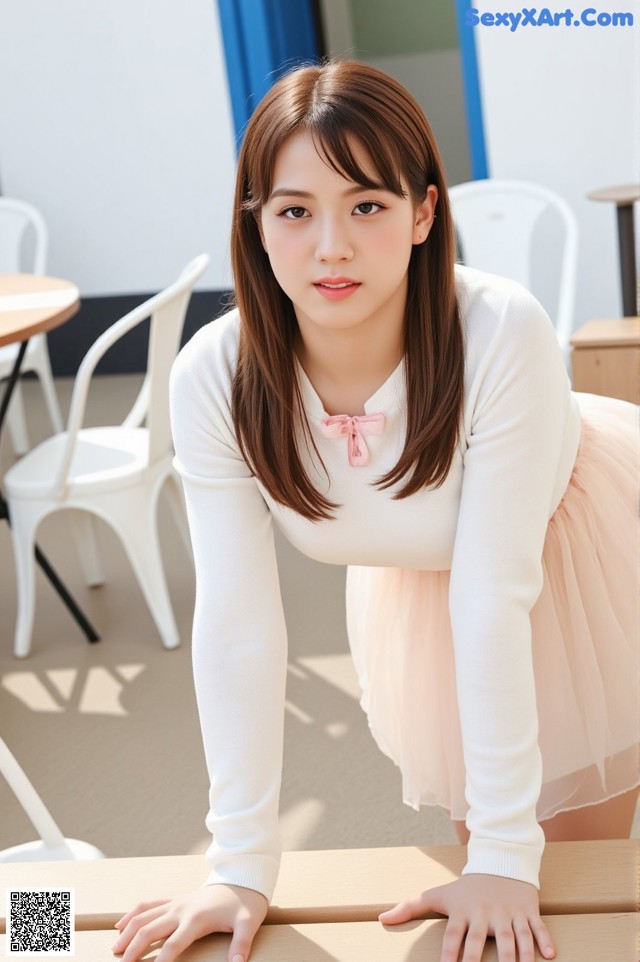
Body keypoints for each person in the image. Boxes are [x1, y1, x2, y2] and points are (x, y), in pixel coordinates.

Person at [111, 60, 638, 962]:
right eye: (294, 210)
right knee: (499, 887)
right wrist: (238, 862)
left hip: (583, 552)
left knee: (568, 879)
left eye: (367, 205)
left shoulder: (500, 330)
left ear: (424, 213)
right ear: (255, 221)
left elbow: (492, 593)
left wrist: (511, 854)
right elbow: (236, 624)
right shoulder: (214, 375)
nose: (331, 248)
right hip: (430, 583)